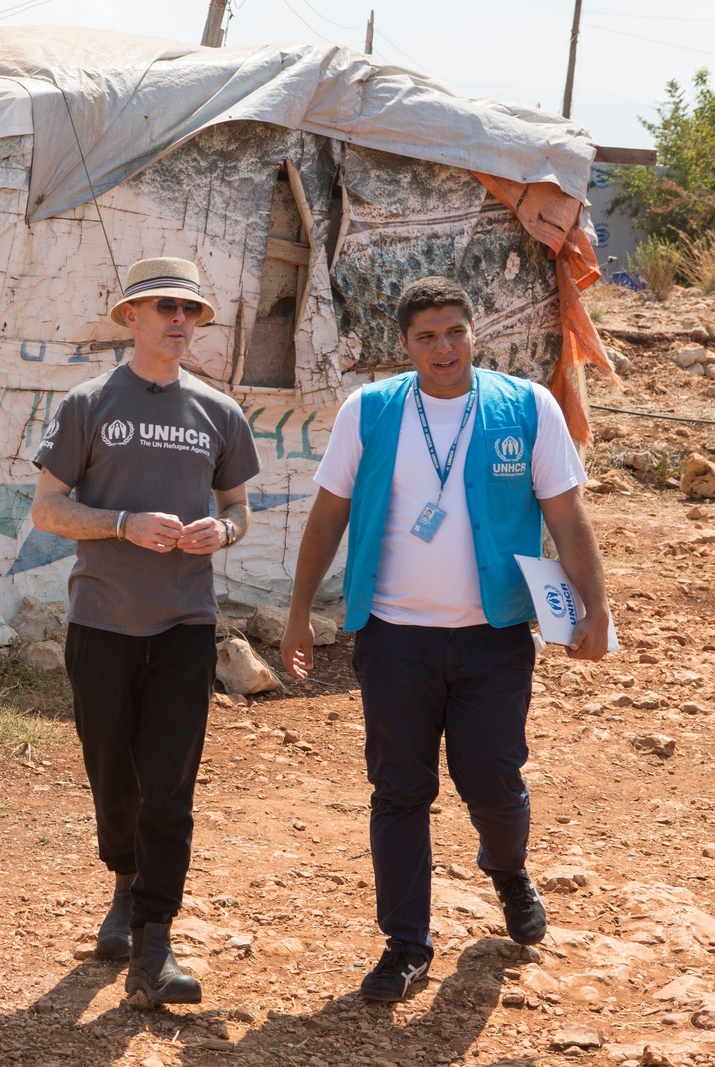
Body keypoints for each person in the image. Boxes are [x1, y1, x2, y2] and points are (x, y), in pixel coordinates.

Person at [279, 276, 612, 1003]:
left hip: (492, 637)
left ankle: (508, 867)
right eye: (427, 336)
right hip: (394, 638)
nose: (444, 348)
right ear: (406, 344)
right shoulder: (369, 411)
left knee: (491, 778)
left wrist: (597, 609)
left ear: (474, 332)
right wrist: (300, 609)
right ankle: (405, 944)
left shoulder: (526, 407)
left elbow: (566, 513)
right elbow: (328, 513)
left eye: (455, 331)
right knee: (399, 789)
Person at [30, 256, 260, 1005]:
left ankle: (154, 938)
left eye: (190, 310)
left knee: (170, 782)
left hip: (185, 624)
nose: (179, 320)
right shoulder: (87, 403)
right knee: (113, 777)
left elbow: (239, 509)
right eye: (164, 306)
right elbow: (48, 510)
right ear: (129, 315)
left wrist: (219, 534)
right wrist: (123, 524)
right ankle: (125, 880)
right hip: (100, 621)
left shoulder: (220, 413)